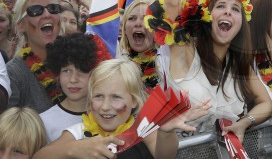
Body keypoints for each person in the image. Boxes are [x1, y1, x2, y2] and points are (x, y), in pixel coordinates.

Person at [145, 0, 272, 141]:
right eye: (220, 6)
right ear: (206, 16)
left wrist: (244, 123)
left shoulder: (237, 62)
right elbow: (172, 0)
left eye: (235, 10)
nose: (227, 12)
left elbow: (266, 104)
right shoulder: (185, 50)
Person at [34, 58, 200, 158]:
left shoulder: (142, 129)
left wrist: (166, 132)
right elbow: (40, 156)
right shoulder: (78, 132)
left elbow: (165, 156)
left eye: (116, 97)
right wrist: (75, 148)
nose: (105, 107)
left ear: (134, 101)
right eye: (98, 96)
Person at [40, 32, 112, 142]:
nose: (73, 79)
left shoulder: (110, 116)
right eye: (66, 71)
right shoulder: (43, 122)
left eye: (82, 70)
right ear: (57, 73)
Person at [7, 0, 63, 113]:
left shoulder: (75, 60)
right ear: (21, 26)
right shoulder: (13, 74)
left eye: (53, 8)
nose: (47, 14)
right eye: (36, 11)